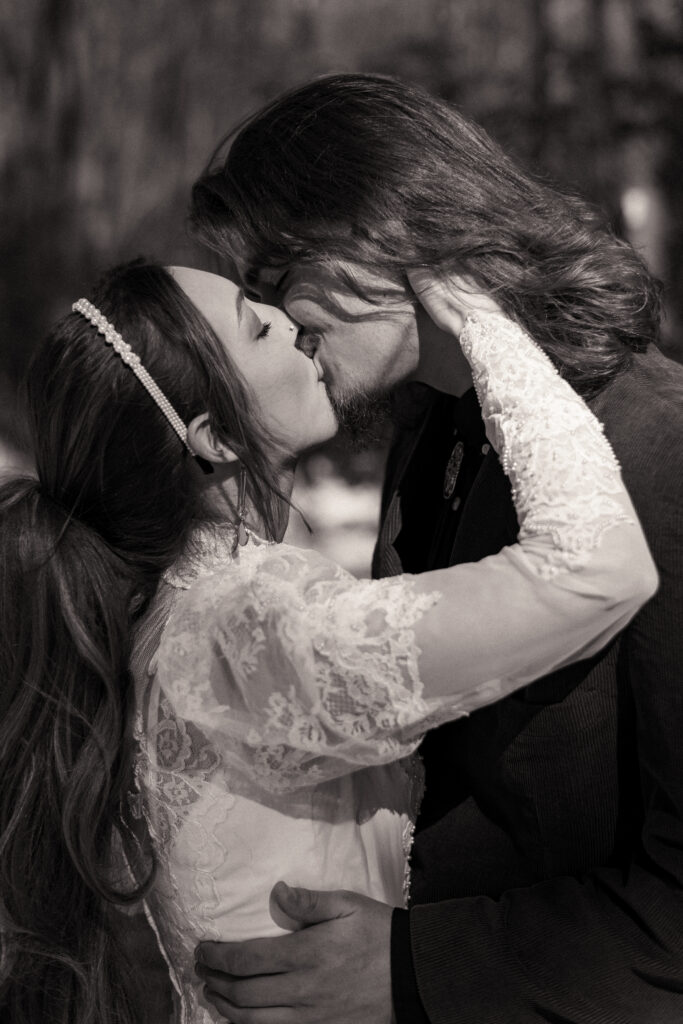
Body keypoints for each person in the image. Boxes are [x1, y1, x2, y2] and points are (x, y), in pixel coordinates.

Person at [0, 256, 655, 1024]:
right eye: (255, 322)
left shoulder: (190, 614)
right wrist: (489, 327)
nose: (288, 319)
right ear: (214, 439)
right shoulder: (246, 628)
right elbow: (595, 572)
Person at [189, 73, 683, 1023]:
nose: (279, 327)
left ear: (374, 235)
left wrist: (419, 969)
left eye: (273, 281)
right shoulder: (433, 428)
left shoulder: (660, 459)